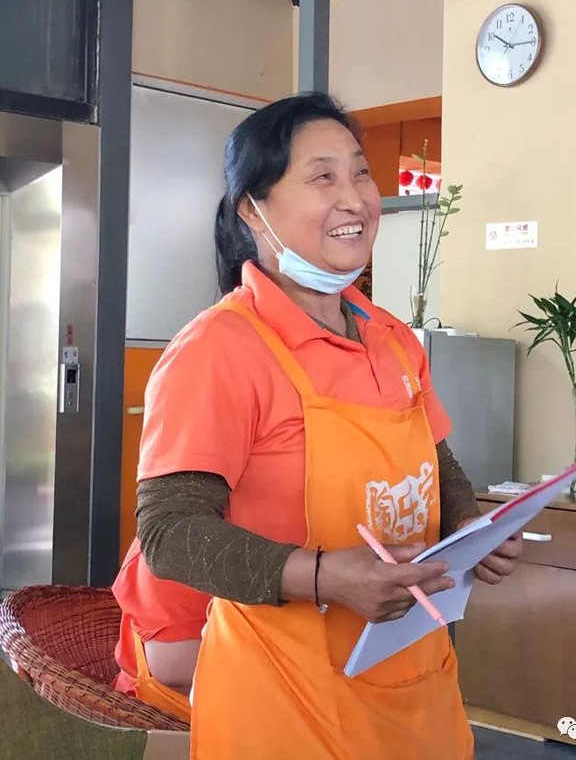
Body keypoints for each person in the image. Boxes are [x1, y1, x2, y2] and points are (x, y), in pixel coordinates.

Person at [113, 92, 522, 757]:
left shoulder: (393, 339)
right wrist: (328, 578)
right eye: (322, 176)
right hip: (284, 700)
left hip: (413, 688)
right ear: (253, 210)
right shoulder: (219, 349)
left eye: (360, 172)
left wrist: (470, 530)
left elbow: (437, 464)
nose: (355, 198)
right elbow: (171, 534)